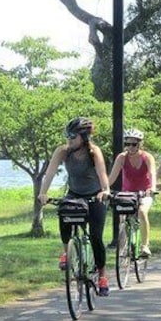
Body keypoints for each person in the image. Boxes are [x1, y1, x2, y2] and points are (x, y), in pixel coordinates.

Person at [38, 117, 112, 296]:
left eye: (73, 136)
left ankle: (102, 276)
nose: (69, 140)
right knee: (64, 212)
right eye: (67, 136)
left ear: (84, 137)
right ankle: (66, 251)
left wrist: (105, 191)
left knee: (95, 237)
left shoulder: (94, 152)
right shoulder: (63, 151)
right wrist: (43, 193)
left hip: (95, 195)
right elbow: (49, 173)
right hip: (74, 194)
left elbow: (102, 175)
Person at [107, 128, 158, 257]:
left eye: (134, 144)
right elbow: (112, 177)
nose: (130, 147)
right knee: (123, 217)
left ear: (139, 144)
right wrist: (104, 189)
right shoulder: (122, 157)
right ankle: (123, 247)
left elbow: (152, 173)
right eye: (127, 144)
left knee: (142, 211)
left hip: (144, 192)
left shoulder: (147, 157)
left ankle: (145, 245)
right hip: (128, 193)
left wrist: (152, 188)